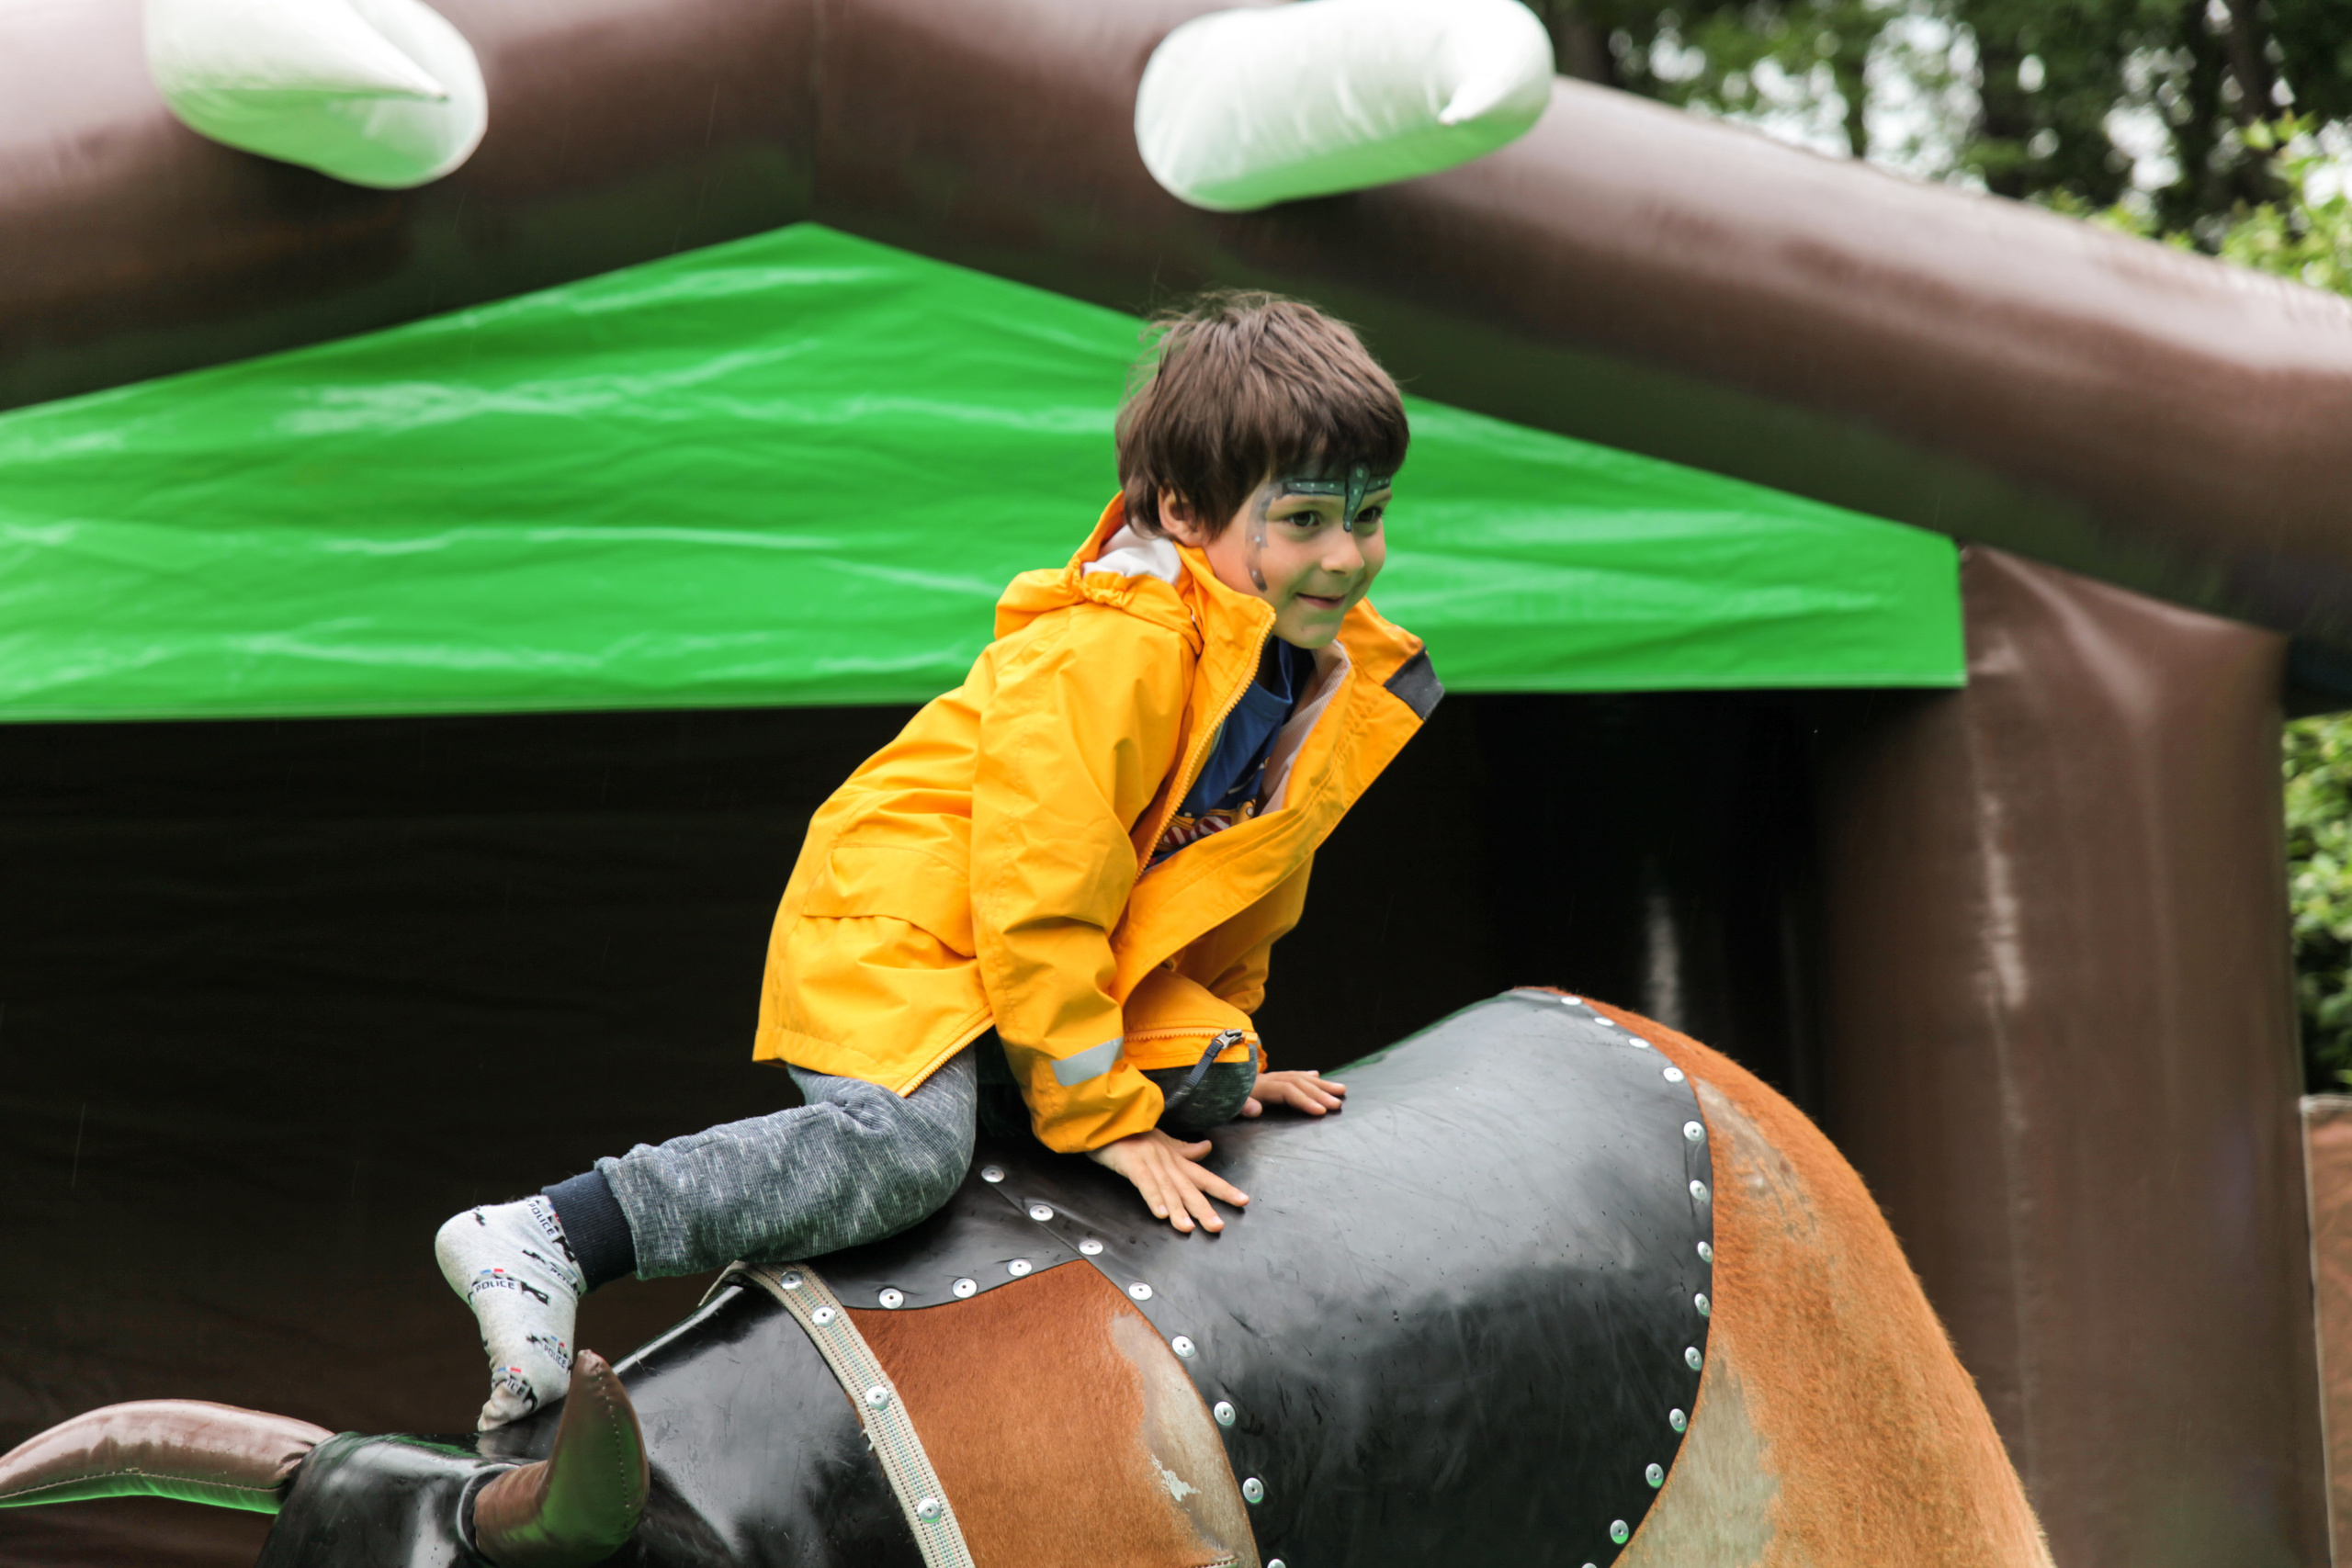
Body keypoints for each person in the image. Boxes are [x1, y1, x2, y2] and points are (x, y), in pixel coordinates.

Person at [435, 291, 1442, 1429]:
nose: (1348, 557)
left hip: (1037, 948)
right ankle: (555, 1233)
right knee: (906, 1153)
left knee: (1209, 1077)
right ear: (1181, 508)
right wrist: (1104, 1118)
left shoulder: (1310, 674)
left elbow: (1241, 886)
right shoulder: (1114, 650)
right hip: (906, 914)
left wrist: (1225, 1042)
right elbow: (1040, 900)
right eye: (1304, 520)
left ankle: (1078, 1083)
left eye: (1370, 516)